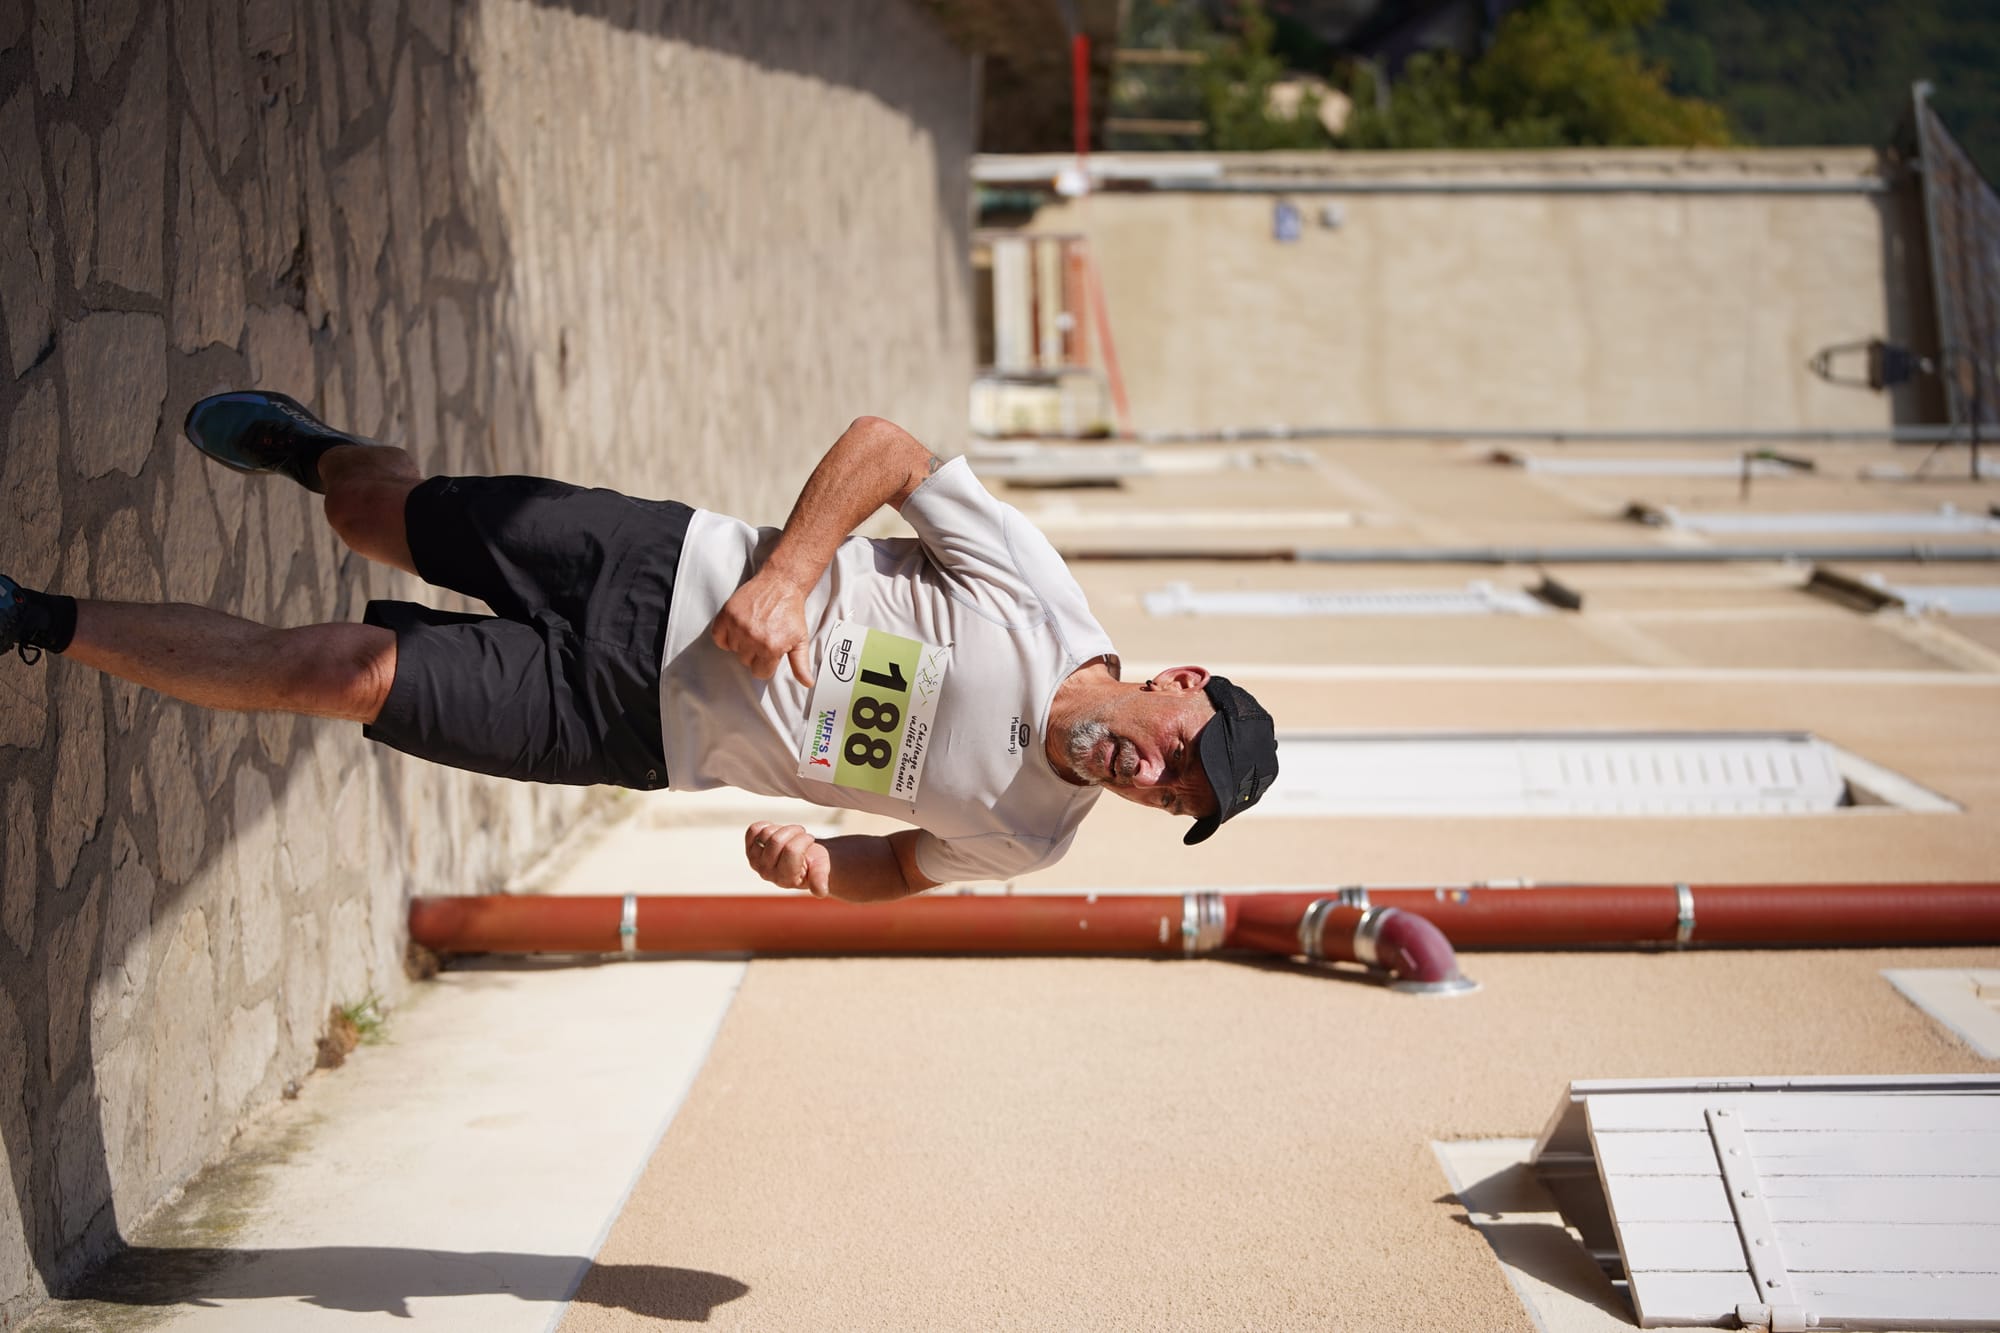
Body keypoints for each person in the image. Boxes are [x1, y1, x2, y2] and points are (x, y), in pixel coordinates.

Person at [1, 393, 1278, 901]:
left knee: (339, 674)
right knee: (372, 517)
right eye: (1179, 755)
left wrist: (821, 869)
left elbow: (906, 865)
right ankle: (318, 452)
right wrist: (788, 571)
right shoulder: (1043, 601)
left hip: (630, 729)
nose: (1153, 782)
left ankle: (36, 620)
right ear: (1178, 684)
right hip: (654, 570)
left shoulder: (1034, 837)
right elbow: (889, 448)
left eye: (1176, 801)